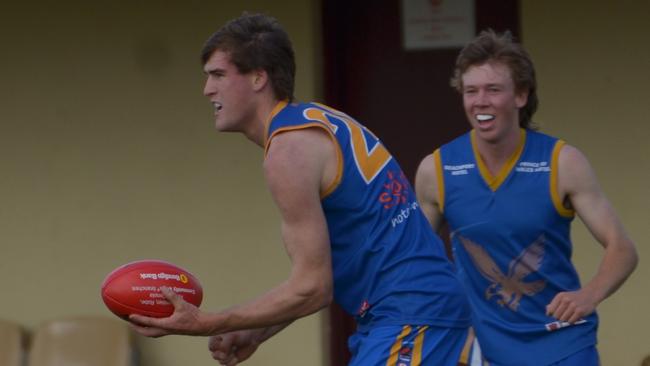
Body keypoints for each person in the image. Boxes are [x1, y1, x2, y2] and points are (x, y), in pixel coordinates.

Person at [129, 13, 475, 365]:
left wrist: (208, 322)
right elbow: (316, 276)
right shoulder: (316, 121)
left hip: (412, 313)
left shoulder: (287, 152)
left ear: (258, 77)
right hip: (409, 311)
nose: (207, 90)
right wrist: (256, 330)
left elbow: (313, 289)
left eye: (218, 75)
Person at [415, 29, 638, 366]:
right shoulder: (436, 170)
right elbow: (414, 260)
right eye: (471, 91)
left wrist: (588, 295)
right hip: (485, 350)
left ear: (521, 95)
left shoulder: (563, 162)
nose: (480, 102)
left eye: (493, 90)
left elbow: (623, 249)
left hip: (563, 343)